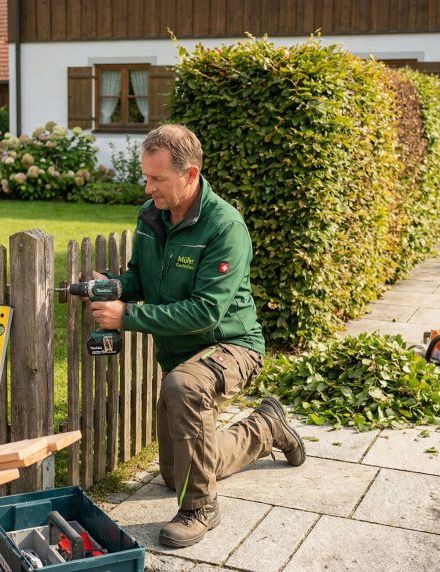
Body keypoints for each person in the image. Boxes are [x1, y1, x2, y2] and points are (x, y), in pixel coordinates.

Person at [87, 124, 306, 548]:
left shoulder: (225, 227)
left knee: (183, 387)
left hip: (232, 345)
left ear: (189, 175)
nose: (149, 187)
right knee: (175, 475)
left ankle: (200, 509)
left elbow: (208, 312)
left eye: (158, 179)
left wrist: (127, 316)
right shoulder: (152, 216)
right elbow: (141, 276)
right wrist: (114, 287)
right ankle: (265, 428)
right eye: (146, 177)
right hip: (184, 355)